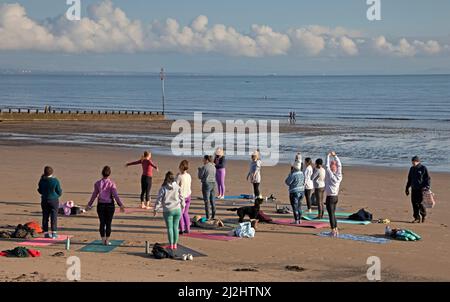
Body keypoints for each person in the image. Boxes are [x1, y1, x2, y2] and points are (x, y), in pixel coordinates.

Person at [87, 166, 125, 246]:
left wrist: (89, 204)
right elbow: (115, 195)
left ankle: (103, 239)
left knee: (102, 223)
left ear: (102, 173)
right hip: (110, 206)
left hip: (101, 205)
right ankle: (107, 240)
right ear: (109, 174)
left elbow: (94, 195)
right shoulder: (111, 183)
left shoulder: (97, 183)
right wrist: (120, 204)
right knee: (108, 223)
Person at [154, 171, 185, 253]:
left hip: (168, 210)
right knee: (176, 228)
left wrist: (156, 209)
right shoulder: (177, 186)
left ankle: (171, 244)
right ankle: (175, 244)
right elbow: (182, 197)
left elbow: (159, 200)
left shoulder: (163, 188)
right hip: (177, 209)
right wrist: (183, 205)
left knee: (170, 228)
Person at [38, 166, 62, 239]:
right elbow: (59, 191)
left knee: (45, 216)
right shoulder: (55, 180)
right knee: (54, 216)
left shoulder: (42, 180)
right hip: (53, 200)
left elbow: (40, 190)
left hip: (44, 199)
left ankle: (46, 233)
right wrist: (56, 195)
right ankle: (54, 233)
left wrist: (44, 194)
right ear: (52, 172)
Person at [405, 156, 431, 223]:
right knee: (414, 203)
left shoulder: (423, 168)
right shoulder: (412, 169)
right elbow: (409, 179)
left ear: (418, 161)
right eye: (412, 161)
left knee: (421, 204)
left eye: (415, 161)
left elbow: (427, 179)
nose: (413, 163)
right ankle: (416, 218)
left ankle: (423, 215)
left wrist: (427, 187)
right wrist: (407, 188)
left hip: (421, 190)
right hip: (414, 189)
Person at [324, 151, 343, 237]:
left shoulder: (330, 175)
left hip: (330, 198)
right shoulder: (339, 176)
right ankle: (335, 229)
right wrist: (335, 156)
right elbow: (340, 165)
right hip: (335, 197)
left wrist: (328, 156)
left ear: (332, 168)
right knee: (333, 214)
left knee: (331, 215)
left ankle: (333, 231)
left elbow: (327, 166)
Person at [198, 155, 217, 219]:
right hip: (213, 183)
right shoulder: (213, 166)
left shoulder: (204, 167)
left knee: (207, 201)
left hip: (206, 184)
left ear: (206, 160)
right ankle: (213, 215)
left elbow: (200, 176)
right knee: (212, 200)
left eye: (203, 159)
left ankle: (208, 216)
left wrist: (199, 170)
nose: (203, 160)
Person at [177, 160, 192, 234]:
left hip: (182, 197)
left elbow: (175, 186)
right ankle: (188, 228)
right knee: (185, 213)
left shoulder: (179, 176)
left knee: (180, 213)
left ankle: (181, 229)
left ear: (181, 167)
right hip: (188, 195)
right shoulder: (189, 175)